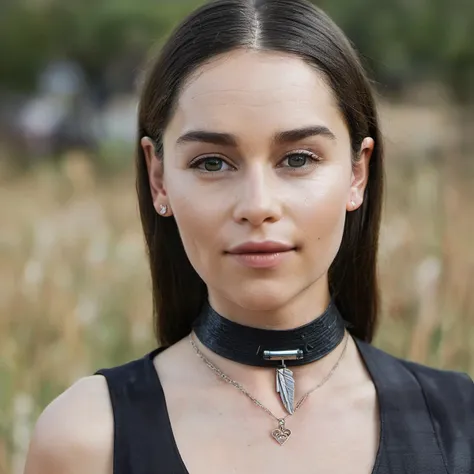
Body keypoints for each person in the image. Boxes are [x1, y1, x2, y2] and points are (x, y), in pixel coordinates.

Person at [24, 0, 473, 473]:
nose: (258, 205)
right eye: (212, 162)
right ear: (159, 179)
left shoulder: (458, 424)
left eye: (298, 159)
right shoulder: (87, 439)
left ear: (357, 173)